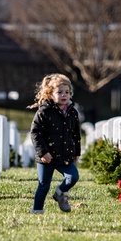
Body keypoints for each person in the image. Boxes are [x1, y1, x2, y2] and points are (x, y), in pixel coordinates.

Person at [28, 73, 81, 214]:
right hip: (47, 157)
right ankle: (37, 210)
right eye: (59, 92)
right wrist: (43, 152)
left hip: (65, 154)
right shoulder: (44, 112)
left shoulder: (73, 112)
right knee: (43, 185)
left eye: (67, 92)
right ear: (50, 94)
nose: (64, 95)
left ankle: (60, 193)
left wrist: (76, 152)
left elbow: (76, 134)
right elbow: (35, 133)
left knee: (73, 177)